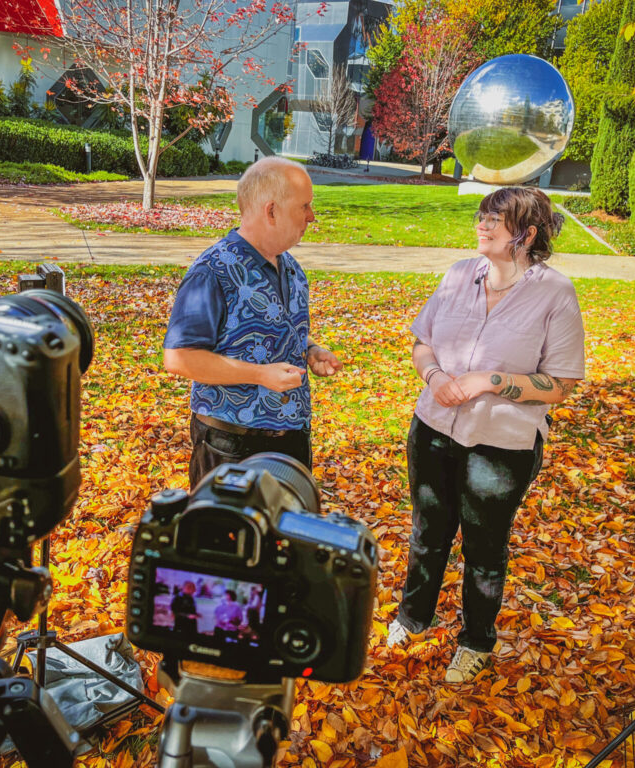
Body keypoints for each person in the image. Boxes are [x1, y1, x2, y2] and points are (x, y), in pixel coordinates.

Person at [386, 187, 585, 685]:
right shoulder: (458, 276)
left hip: (501, 444)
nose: (482, 224)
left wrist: (490, 382)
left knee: (484, 547)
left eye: (495, 218)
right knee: (428, 532)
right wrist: (435, 378)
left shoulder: (554, 294)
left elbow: (562, 384)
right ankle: (413, 618)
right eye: (482, 216)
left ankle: (475, 642)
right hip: (433, 427)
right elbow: (422, 343)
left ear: (526, 233)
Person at [163, 157, 342, 487]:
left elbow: (277, 331)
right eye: (304, 206)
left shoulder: (291, 268)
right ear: (271, 211)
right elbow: (179, 358)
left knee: (286, 537)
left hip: (291, 443)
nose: (312, 216)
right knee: (229, 539)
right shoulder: (212, 271)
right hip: (231, 447)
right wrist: (260, 375)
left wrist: (311, 350)